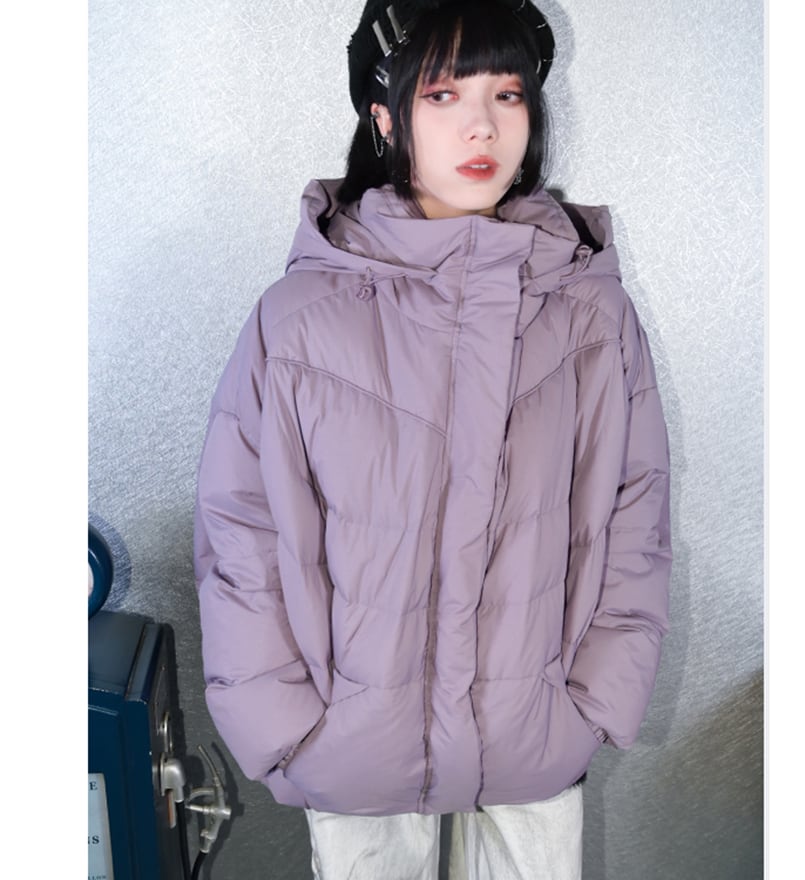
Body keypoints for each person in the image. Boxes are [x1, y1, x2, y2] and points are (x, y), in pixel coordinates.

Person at [194, 1, 671, 877]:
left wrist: (596, 701)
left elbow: (634, 514)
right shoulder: (299, 321)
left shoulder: (590, 314)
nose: (482, 125)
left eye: (508, 94)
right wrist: (283, 724)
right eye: (444, 95)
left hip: (533, 740)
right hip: (352, 751)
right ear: (385, 117)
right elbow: (241, 533)